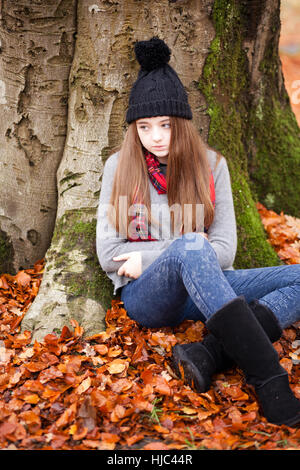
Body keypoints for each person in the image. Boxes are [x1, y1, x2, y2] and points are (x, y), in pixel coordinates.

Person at [96, 37, 300, 427]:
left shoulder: (212, 167)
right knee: (192, 244)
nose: (155, 136)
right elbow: (109, 253)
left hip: (207, 288)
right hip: (146, 296)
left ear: (182, 123)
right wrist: (182, 250)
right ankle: (270, 380)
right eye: (144, 126)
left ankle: (209, 354)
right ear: (134, 128)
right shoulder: (119, 168)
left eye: (165, 125)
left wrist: (150, 253)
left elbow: (223, 251)